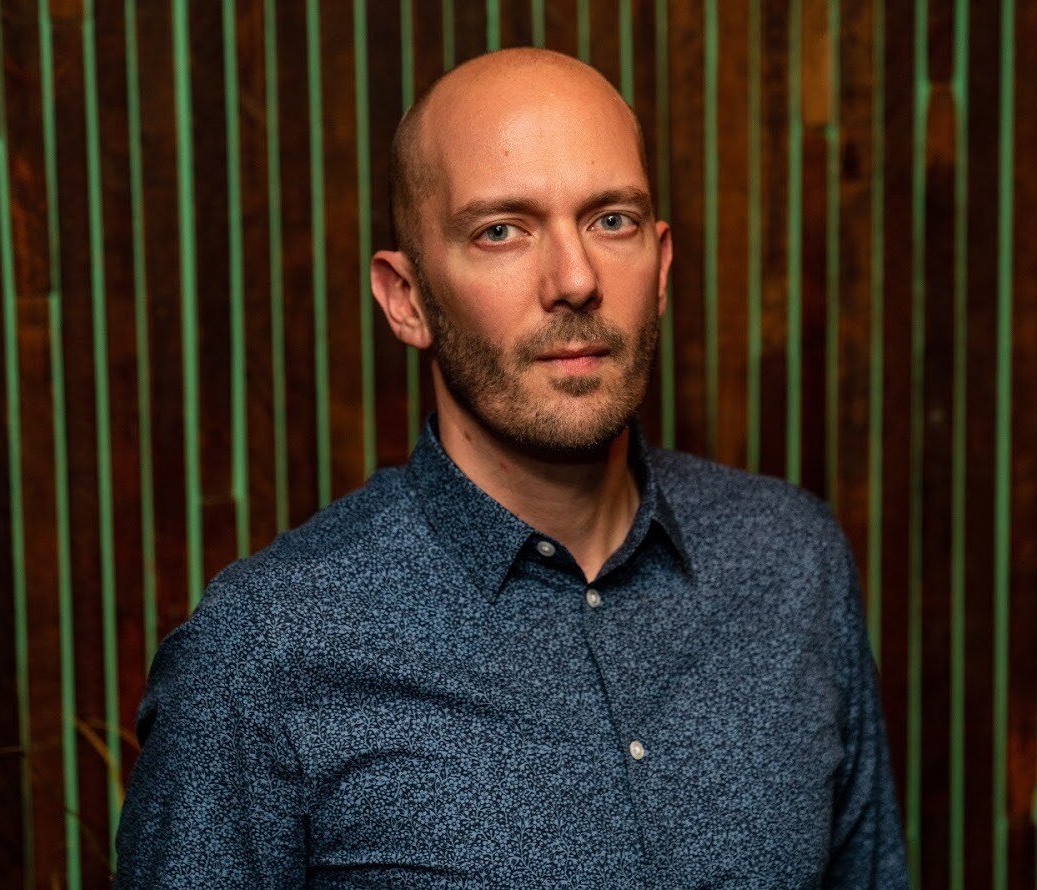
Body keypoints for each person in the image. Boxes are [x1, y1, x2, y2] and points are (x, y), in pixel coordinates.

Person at [115, 47, 908, 888]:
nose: (575, 280)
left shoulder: (792, 562)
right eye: (501, 231)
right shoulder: (261, 655)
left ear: (663, 266)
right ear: (407, 298)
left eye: (612, 220)